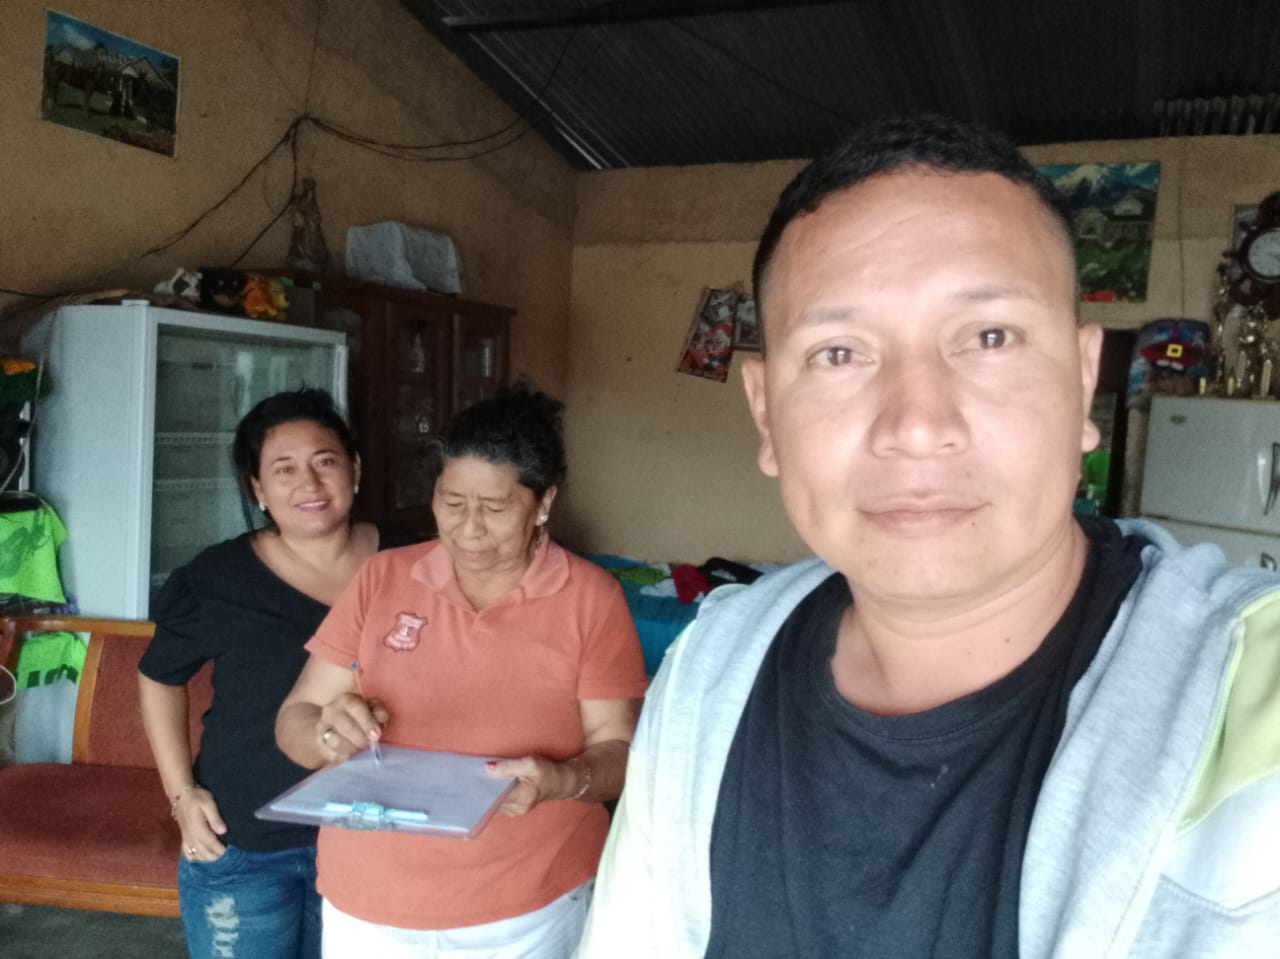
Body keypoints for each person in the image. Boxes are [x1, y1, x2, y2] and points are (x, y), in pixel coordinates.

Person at [575, 114, 1280, 958]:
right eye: (839, 353)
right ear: (765, 412)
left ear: (1082, 378)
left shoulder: (1250, 692)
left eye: (989, 337)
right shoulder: (707, 671)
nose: (916, 424)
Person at [275, 385, 647, 958]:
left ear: (543, 502)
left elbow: (619, 754)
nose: (468, 529)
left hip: (523, 906)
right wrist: (329, 733)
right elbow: (295, 721)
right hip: (369, 900)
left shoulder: (591, 599)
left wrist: (561, 780)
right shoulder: (382, 578)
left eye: (495, 509)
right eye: (451, 503)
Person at [139, 388, 409, 959]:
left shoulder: (412, 563)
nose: (309, 483)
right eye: (284, 469)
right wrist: (182, 795)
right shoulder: (219, 577)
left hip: (378, 838)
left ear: (355, 470)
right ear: (258, 489)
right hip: (246, 840)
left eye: (325, 461)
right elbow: (159, 676)